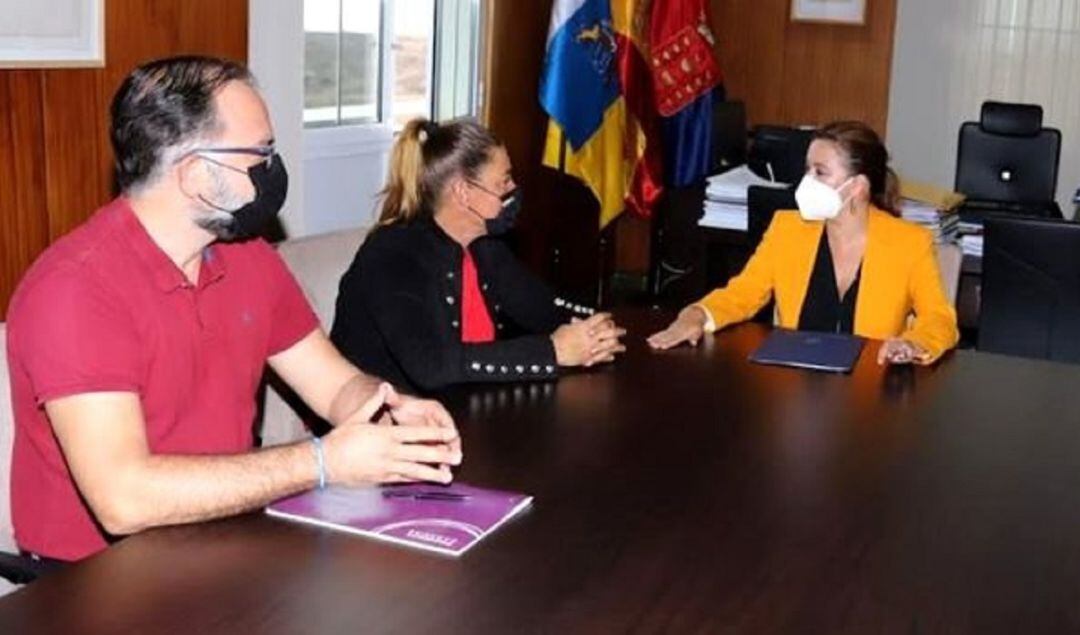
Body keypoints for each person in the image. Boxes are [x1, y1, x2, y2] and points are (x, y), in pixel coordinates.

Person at [5, 56, 462, 563]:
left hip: (225, 542)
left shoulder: (249, 258)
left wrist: (391, 407)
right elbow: (124, 499)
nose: (272, 168)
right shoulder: (75, 290)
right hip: (94, 580)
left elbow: (332, 385)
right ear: (197, 174)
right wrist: (320, 463)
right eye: (259, 153)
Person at [330, 118, 625, 393]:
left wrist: (594, 328)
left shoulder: (482, 245)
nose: (513, 190)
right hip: (380, 426)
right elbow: (432, 365)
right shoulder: (393, 254)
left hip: (462, 410)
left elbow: (541, 307)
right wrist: (553, 351)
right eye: (503, 182)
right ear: (463, 193)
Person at [648, 121, 959, 365]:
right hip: (795, 390)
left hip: (870, 389)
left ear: (858, 187)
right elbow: (743, 293)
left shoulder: (909, 242)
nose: (806, 182)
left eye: (820, 173)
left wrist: (914, 344)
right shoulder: (787, 229)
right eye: (807, 170)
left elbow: (938, 318)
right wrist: (697, 314)